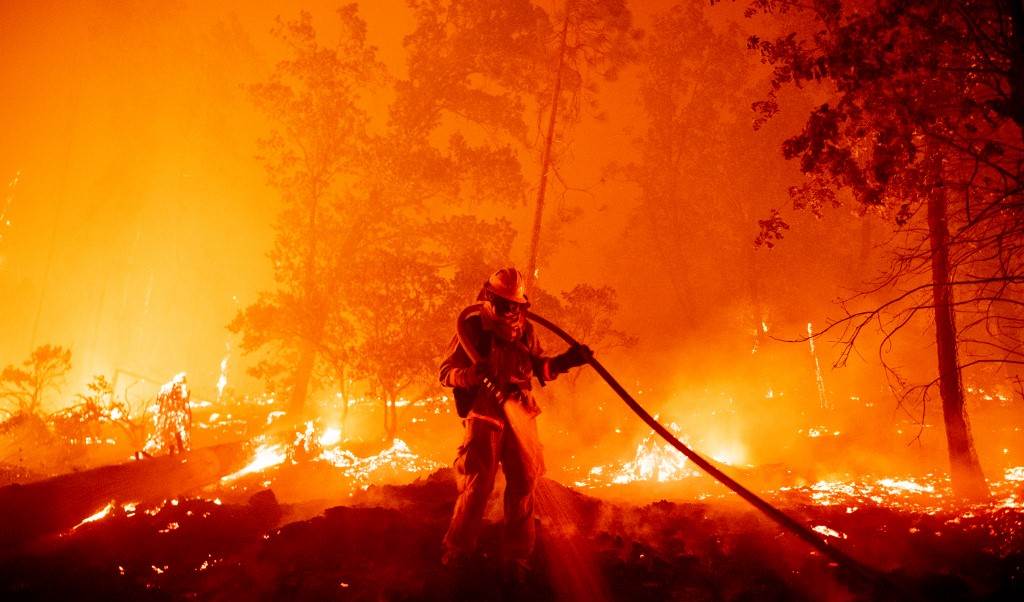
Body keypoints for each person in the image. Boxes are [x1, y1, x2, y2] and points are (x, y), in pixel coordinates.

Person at [439, 267, 591, 580]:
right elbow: (445, 373)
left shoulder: (525, 331)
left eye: (515, 306)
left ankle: (518, 557)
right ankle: (457, 551)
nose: (510, 312)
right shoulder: (471, 328)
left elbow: (541, 368)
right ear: (489, 297)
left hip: (521, 412)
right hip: (485, 414)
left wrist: (566, 361)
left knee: (524, 482)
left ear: (522, 306)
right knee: (478, 483)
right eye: (504, 304)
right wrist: (468, 376)